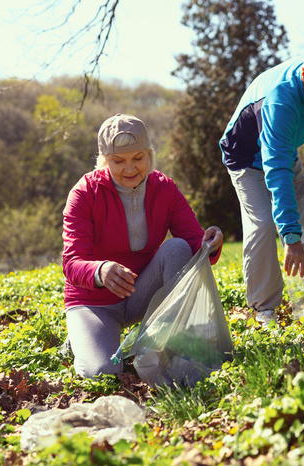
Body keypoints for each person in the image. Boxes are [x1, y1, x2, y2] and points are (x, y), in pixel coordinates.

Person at [63, 113, 224, 378]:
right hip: (95, 302)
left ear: (149, 154)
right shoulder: (84, 194)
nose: (130, 169)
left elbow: (194, 242)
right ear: (104, 161)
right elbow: (72, 263)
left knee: (177, 248)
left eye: (138, 158)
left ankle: (179, 344)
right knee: (103, 371)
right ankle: (81, 338)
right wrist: (100, 271)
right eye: (118, 161)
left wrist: (211, 242)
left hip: (141, 292)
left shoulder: (164, 188)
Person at [220, 41, 304, 325]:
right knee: (265, 224)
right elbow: (277, 169)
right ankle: (264, 307)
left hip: (282, 149)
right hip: (246, 157)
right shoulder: (281, 99)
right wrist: (290, 237)